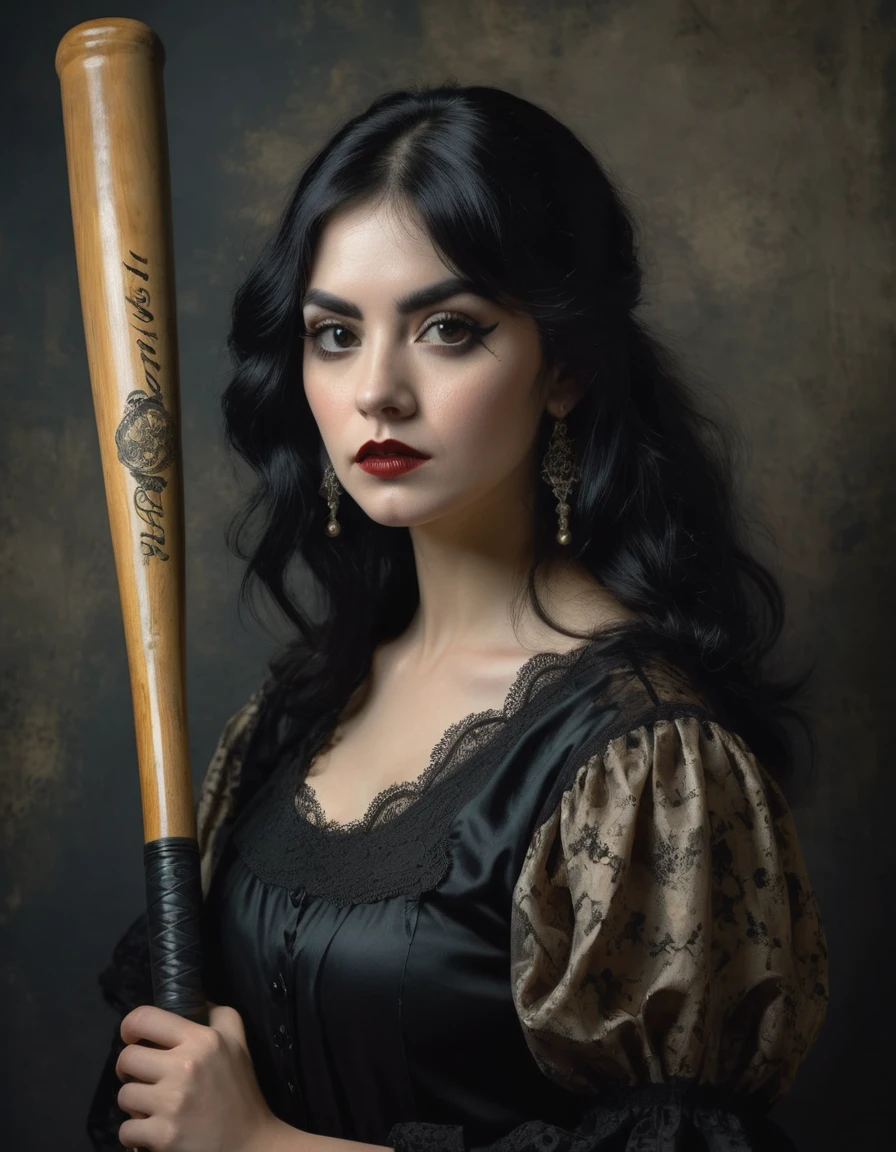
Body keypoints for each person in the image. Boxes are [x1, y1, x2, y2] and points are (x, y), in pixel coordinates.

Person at [87, 83, 828, 1152]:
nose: (377, 390)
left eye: (447, 328)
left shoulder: (645, 762)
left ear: (564, 365)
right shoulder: (294, 716)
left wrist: (261, 1146)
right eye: (332, 335)